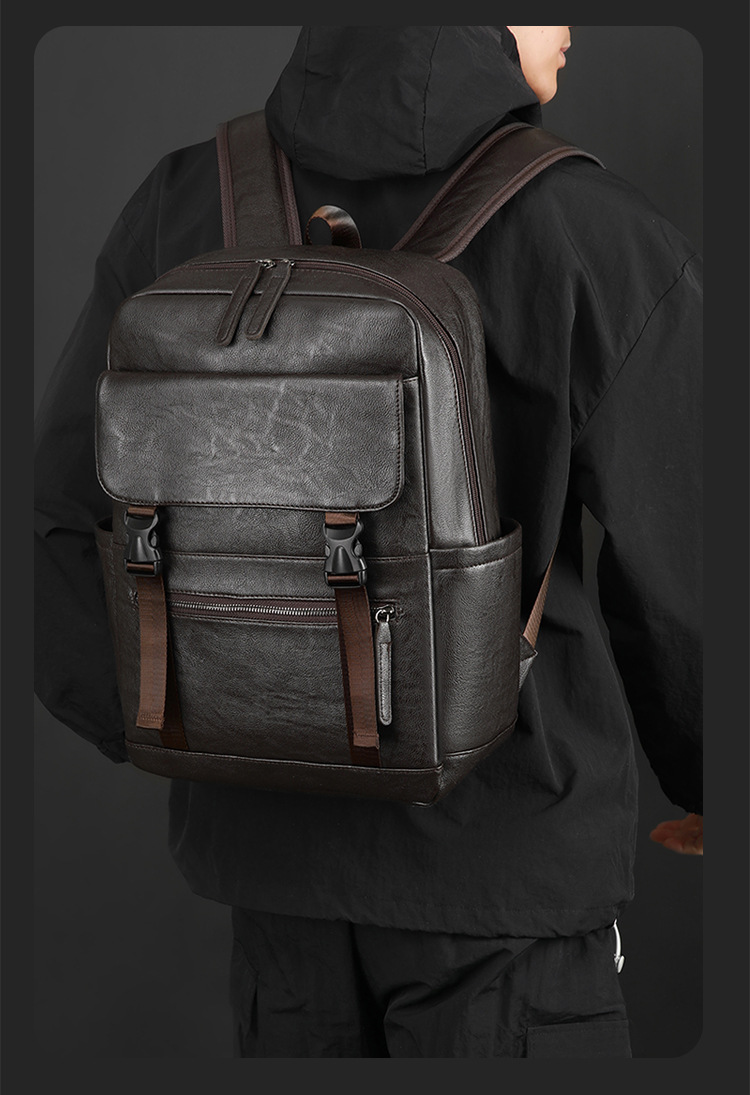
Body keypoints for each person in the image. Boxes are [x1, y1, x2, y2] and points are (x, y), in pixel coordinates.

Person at [34, 26, 702, 1057]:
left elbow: (55, 519)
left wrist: (192, 722)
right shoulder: (592, 228)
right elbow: (694, 575)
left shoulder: (184, 199)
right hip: (504, 896)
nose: (571, 21)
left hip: (272, 892)